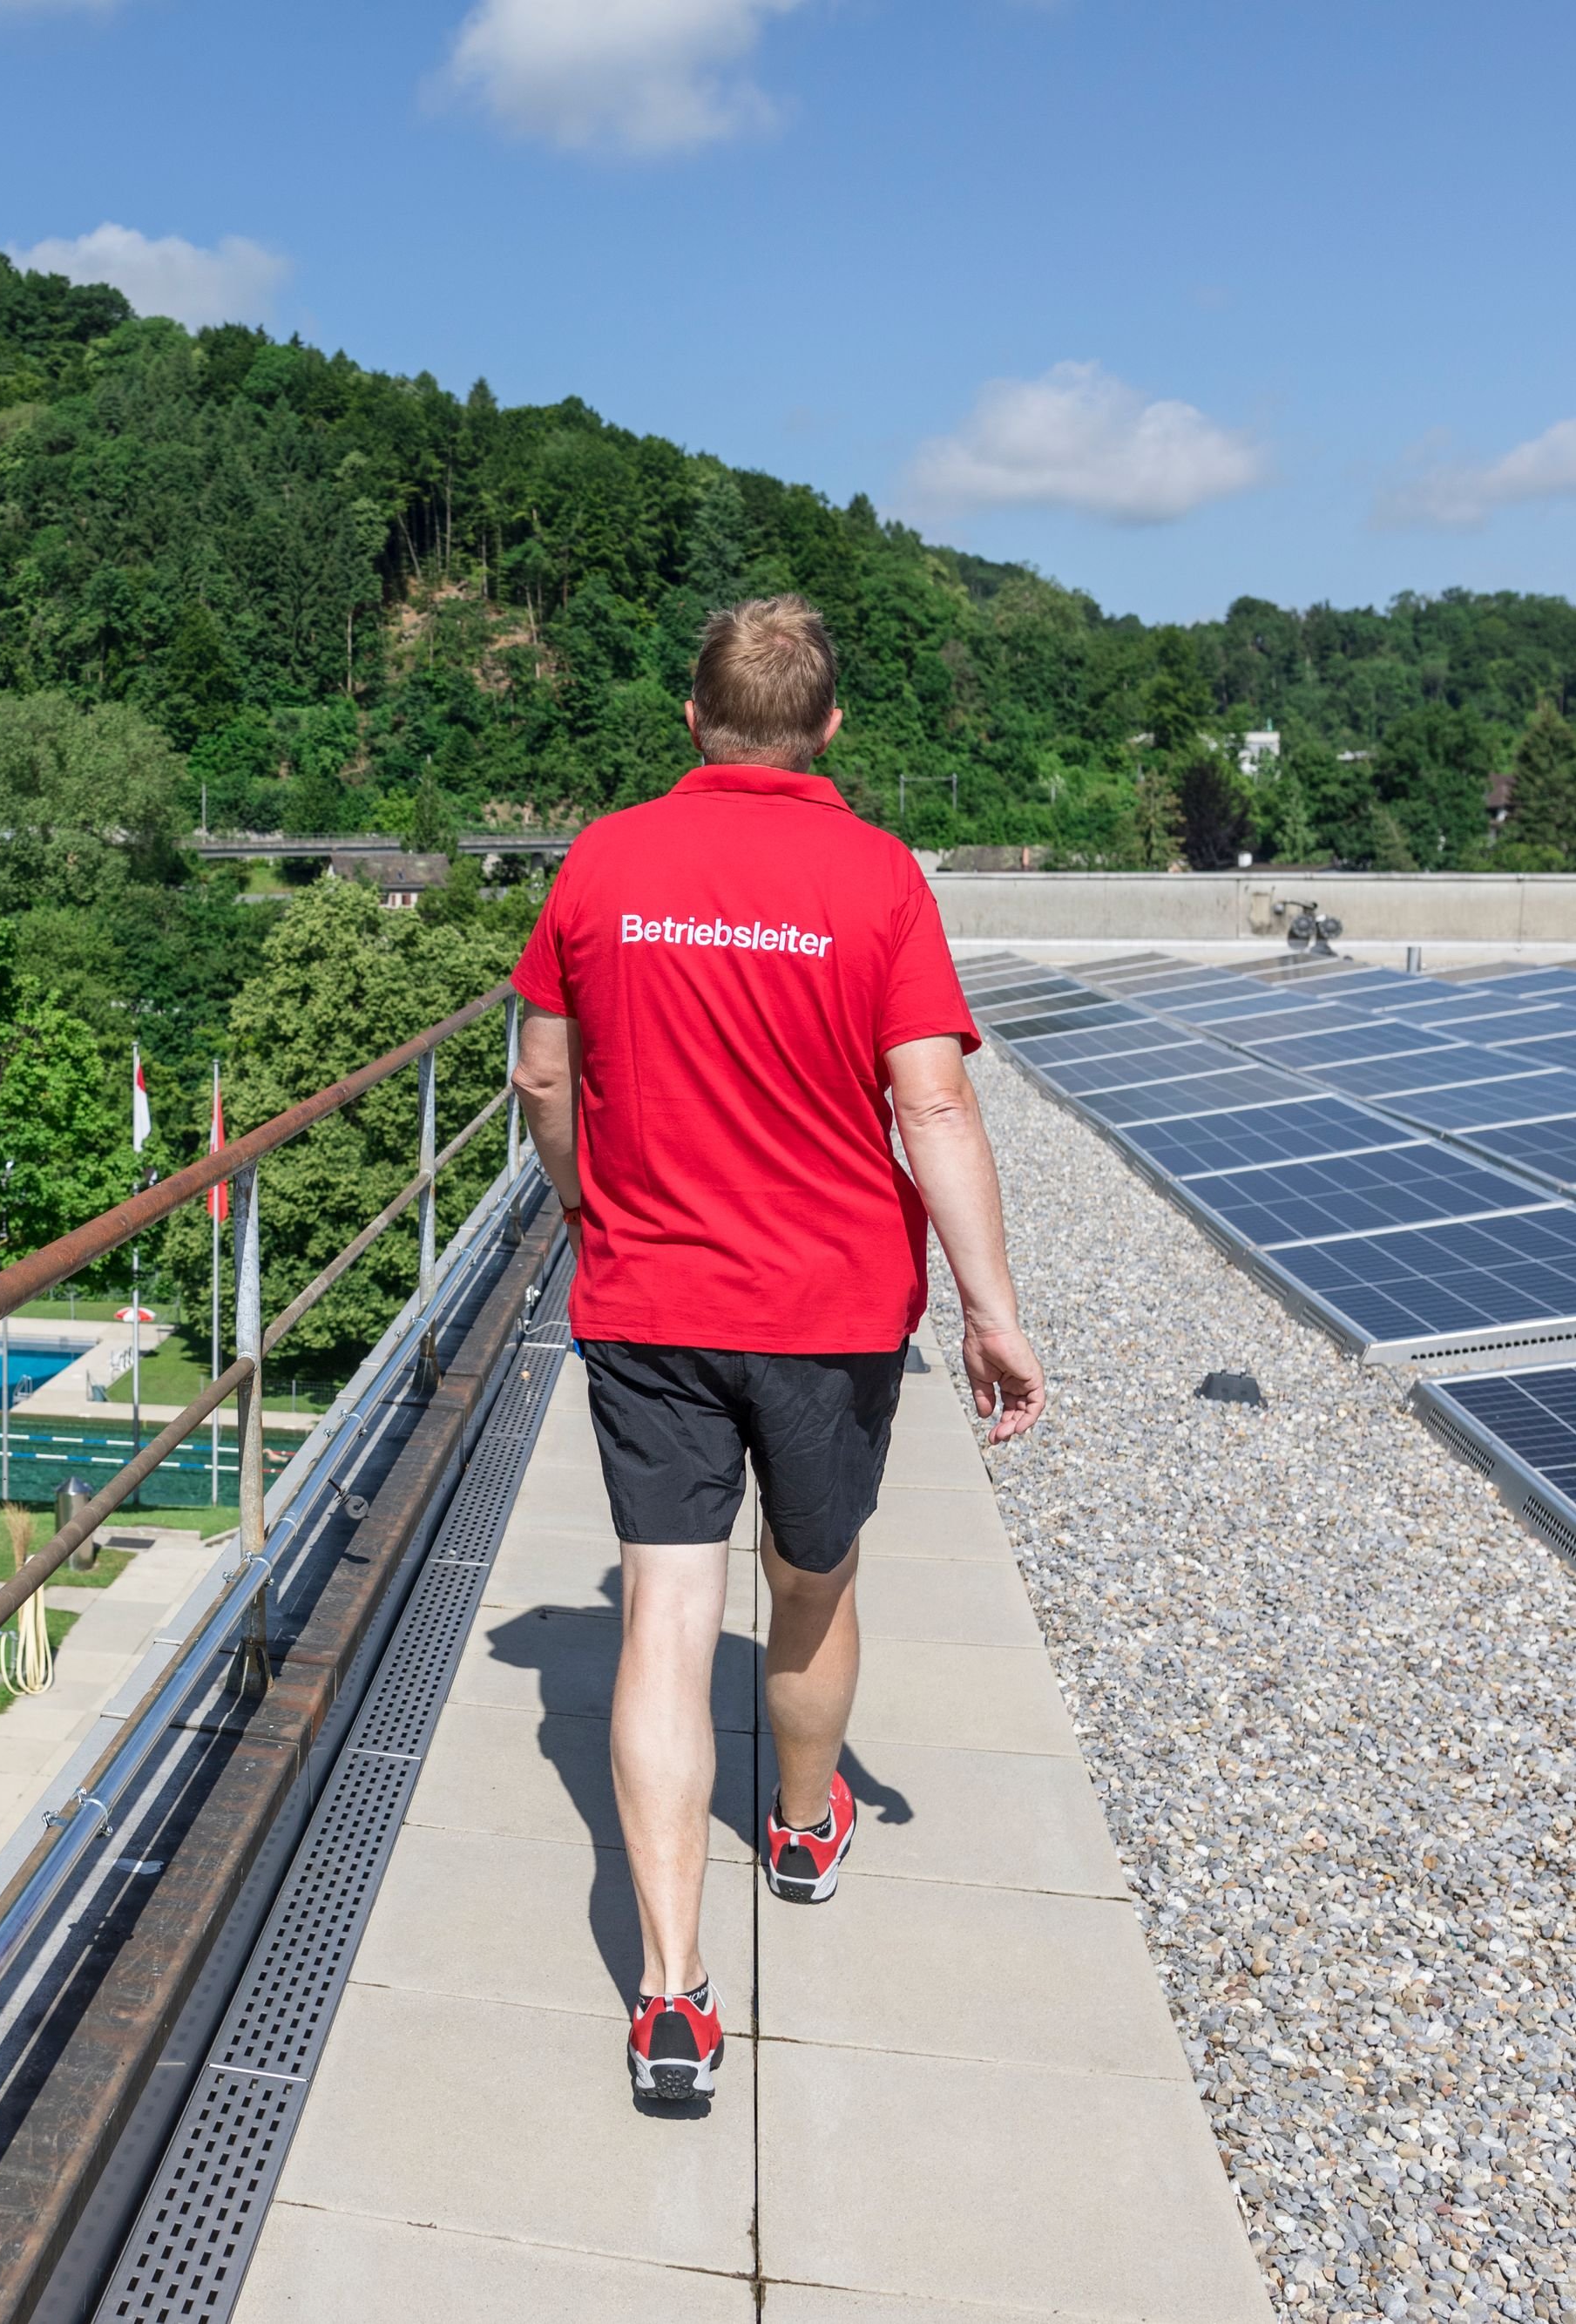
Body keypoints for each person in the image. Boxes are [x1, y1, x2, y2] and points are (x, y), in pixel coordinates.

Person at [506, 593, 1049, 2104]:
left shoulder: (604, 860)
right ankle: (805, 1829)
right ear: (827, 728)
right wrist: (994, 1311)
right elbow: (933, 1106)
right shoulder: (878, 879)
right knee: (809, 1588)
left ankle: (671, 1997)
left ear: (691, 721)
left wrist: (578, 1195)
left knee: (665, 1626)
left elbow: (544, 1072)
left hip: (651, 1299)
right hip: (827, 1310)